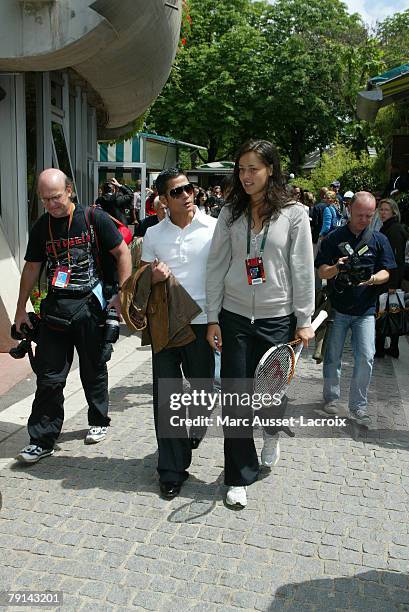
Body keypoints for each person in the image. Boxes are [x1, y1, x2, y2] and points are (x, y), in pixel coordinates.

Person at [206, 140, 315, 509]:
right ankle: (238, 476)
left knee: (268, 396)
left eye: (254, 168)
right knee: (236, 399)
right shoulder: (230, 212)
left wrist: (304, 319)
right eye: (241, 169)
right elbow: (216, 265)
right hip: (234, 316)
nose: (246, 176)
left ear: (271, 169)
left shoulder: (295, 213)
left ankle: (271, 430)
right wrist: (211, 317)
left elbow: (302, 268)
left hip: (276, 318)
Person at [14, 169, 132, 463]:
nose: (51, 204)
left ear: (69, 191)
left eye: (55, 197)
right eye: (45, 200)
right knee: (49, 378)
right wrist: (19, 308)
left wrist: (123, 295)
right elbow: (31, 267)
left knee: (94, 367)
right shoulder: (42, 227)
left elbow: (122, 253)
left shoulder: (94, 218)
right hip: (55, 309)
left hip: (90, 306)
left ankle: (98, 420)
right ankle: (42, 439)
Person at [140, 168, 217, 500]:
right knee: (167, 396)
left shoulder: (216, 228)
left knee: (203, 387)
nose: (186, 194)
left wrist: (219, 320)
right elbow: (143, 277)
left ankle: (195, 427)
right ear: (163, 199)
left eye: (189, 188)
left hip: (202, 323)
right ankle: (171, 469)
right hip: (166, 323)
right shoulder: (154, 234)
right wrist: (154, 277)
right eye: (177, 191)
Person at [315, 192, 396, 425]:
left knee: (366, 357)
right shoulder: (334, 237)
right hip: (339, 307)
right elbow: (321, 271)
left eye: (369, 216)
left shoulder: (379, 239)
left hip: (366, 310)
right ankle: (331, 397)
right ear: (350, 210)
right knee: (332, 357)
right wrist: (336, 268)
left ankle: (358, 406)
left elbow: (387, 271)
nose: (364, 219)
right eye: (360, 214)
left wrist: (371, 279)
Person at [375, 198, 409, 358]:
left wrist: (393, 283)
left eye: (386, 210)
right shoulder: (389, 227)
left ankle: (381, 348)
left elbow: (397, 260)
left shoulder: (394, 230)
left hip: (390, 280)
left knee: (385, 312)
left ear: (394, 212)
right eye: (381, 209)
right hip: (389, 279)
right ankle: (391, 347)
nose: (382, 213)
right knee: (391, 311)